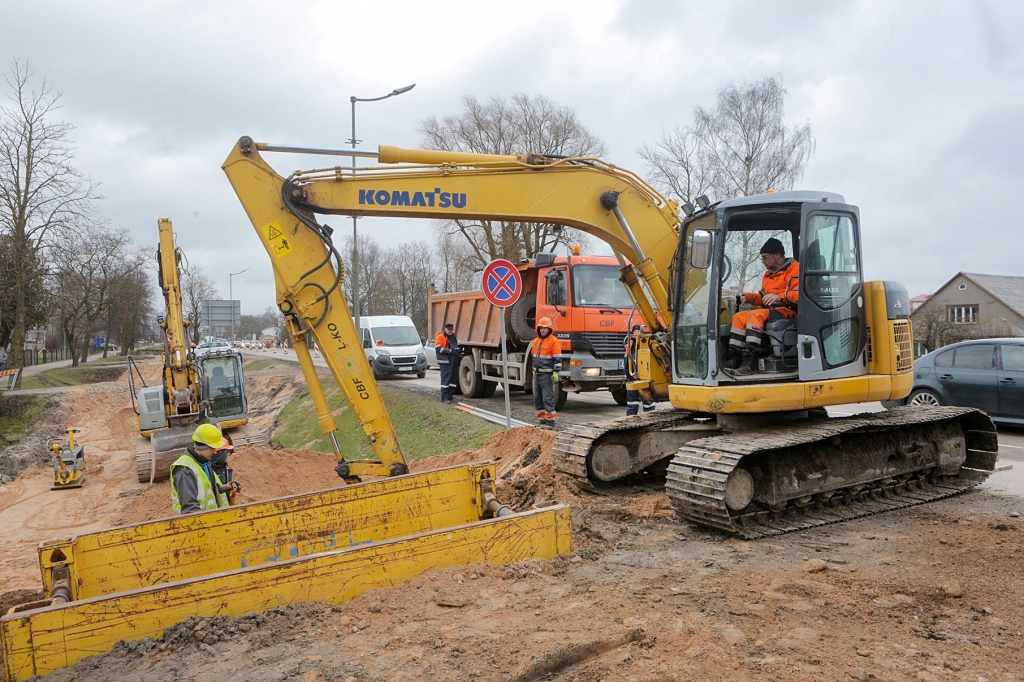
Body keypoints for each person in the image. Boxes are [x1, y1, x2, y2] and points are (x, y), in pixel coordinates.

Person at [727, 237, 800, 374]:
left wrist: (779, 297)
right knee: (739, 317)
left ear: (777, 255)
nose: (763, 262)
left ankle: (752, 361)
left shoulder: (796, 269)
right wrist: (747, 297)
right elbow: (763, 297)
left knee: (755, 315)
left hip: (789, 310)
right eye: (762, 258)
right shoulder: (768, 275)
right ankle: (736, 356)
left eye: (765, 257)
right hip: (772, 310)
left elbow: (801, 294)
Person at [170, 423, 235, 515]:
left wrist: (225, 487)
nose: (215, 451)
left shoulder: (204, 462)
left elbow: (207, 489)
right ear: (202, 446)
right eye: (212, 448)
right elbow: (190, 509)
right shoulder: (184, 470)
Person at [531, 317, 563, 426]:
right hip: (537, 374)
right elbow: (534, 357)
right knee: (537, 398)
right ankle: (542, 419)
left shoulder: (554, 341)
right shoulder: (536, 341)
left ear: (549, 328)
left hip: (547, 374)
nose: (543, 330)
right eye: (541, 328)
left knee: (547, 397)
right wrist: (533, 370)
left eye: (545, 328)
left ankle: (550, 421)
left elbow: (557, 358)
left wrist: (555, 372)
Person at [623, 325, 655, 415]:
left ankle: (650, 416)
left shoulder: (646, 342)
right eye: (635, 331)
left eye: (638, 331)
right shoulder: (630, 344)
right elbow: (626, 359)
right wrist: (626, 373)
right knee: (632, 401)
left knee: (647, 401)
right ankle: (631, 418)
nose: (637, 333)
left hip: (644, 376)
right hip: (632, 376)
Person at [434, 323, 459, 403]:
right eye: (449, 330)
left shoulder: (453, 336)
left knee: (453, 379)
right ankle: (444, 398)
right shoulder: (440, 336)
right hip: (445, 361)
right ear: (445, 329)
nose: (450, 331)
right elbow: (438, 349)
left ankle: (450, 396)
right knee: (446, 379)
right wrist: (450, 351)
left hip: (453, 360)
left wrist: (458, 350)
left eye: (451, 329)